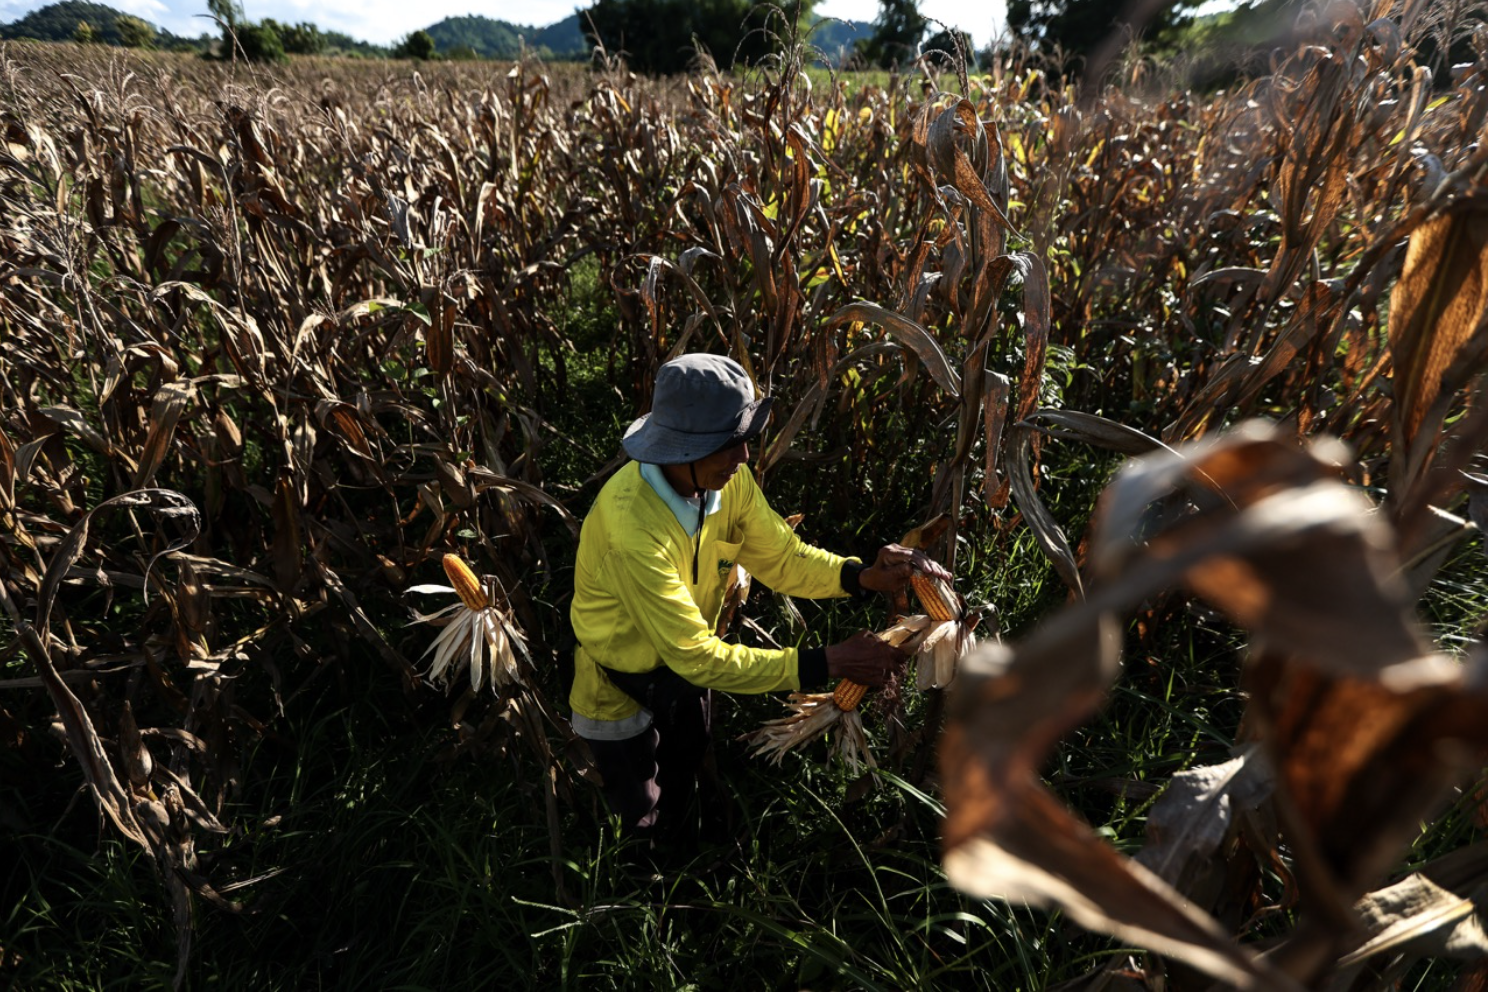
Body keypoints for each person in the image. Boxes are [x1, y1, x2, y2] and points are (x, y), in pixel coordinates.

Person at [569, 353, 945, 850]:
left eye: (745, 440)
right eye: (729, 444)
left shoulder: (726, 479)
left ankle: (689, 859)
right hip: (619, 674)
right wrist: (826, 662)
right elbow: (697, 656)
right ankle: (646, 894)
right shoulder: (632, 531)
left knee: (686, 769)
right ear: (681, 451)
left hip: (688, 665)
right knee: (636, 809)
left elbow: (782, 557)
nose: (744, 457)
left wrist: (862, 577)